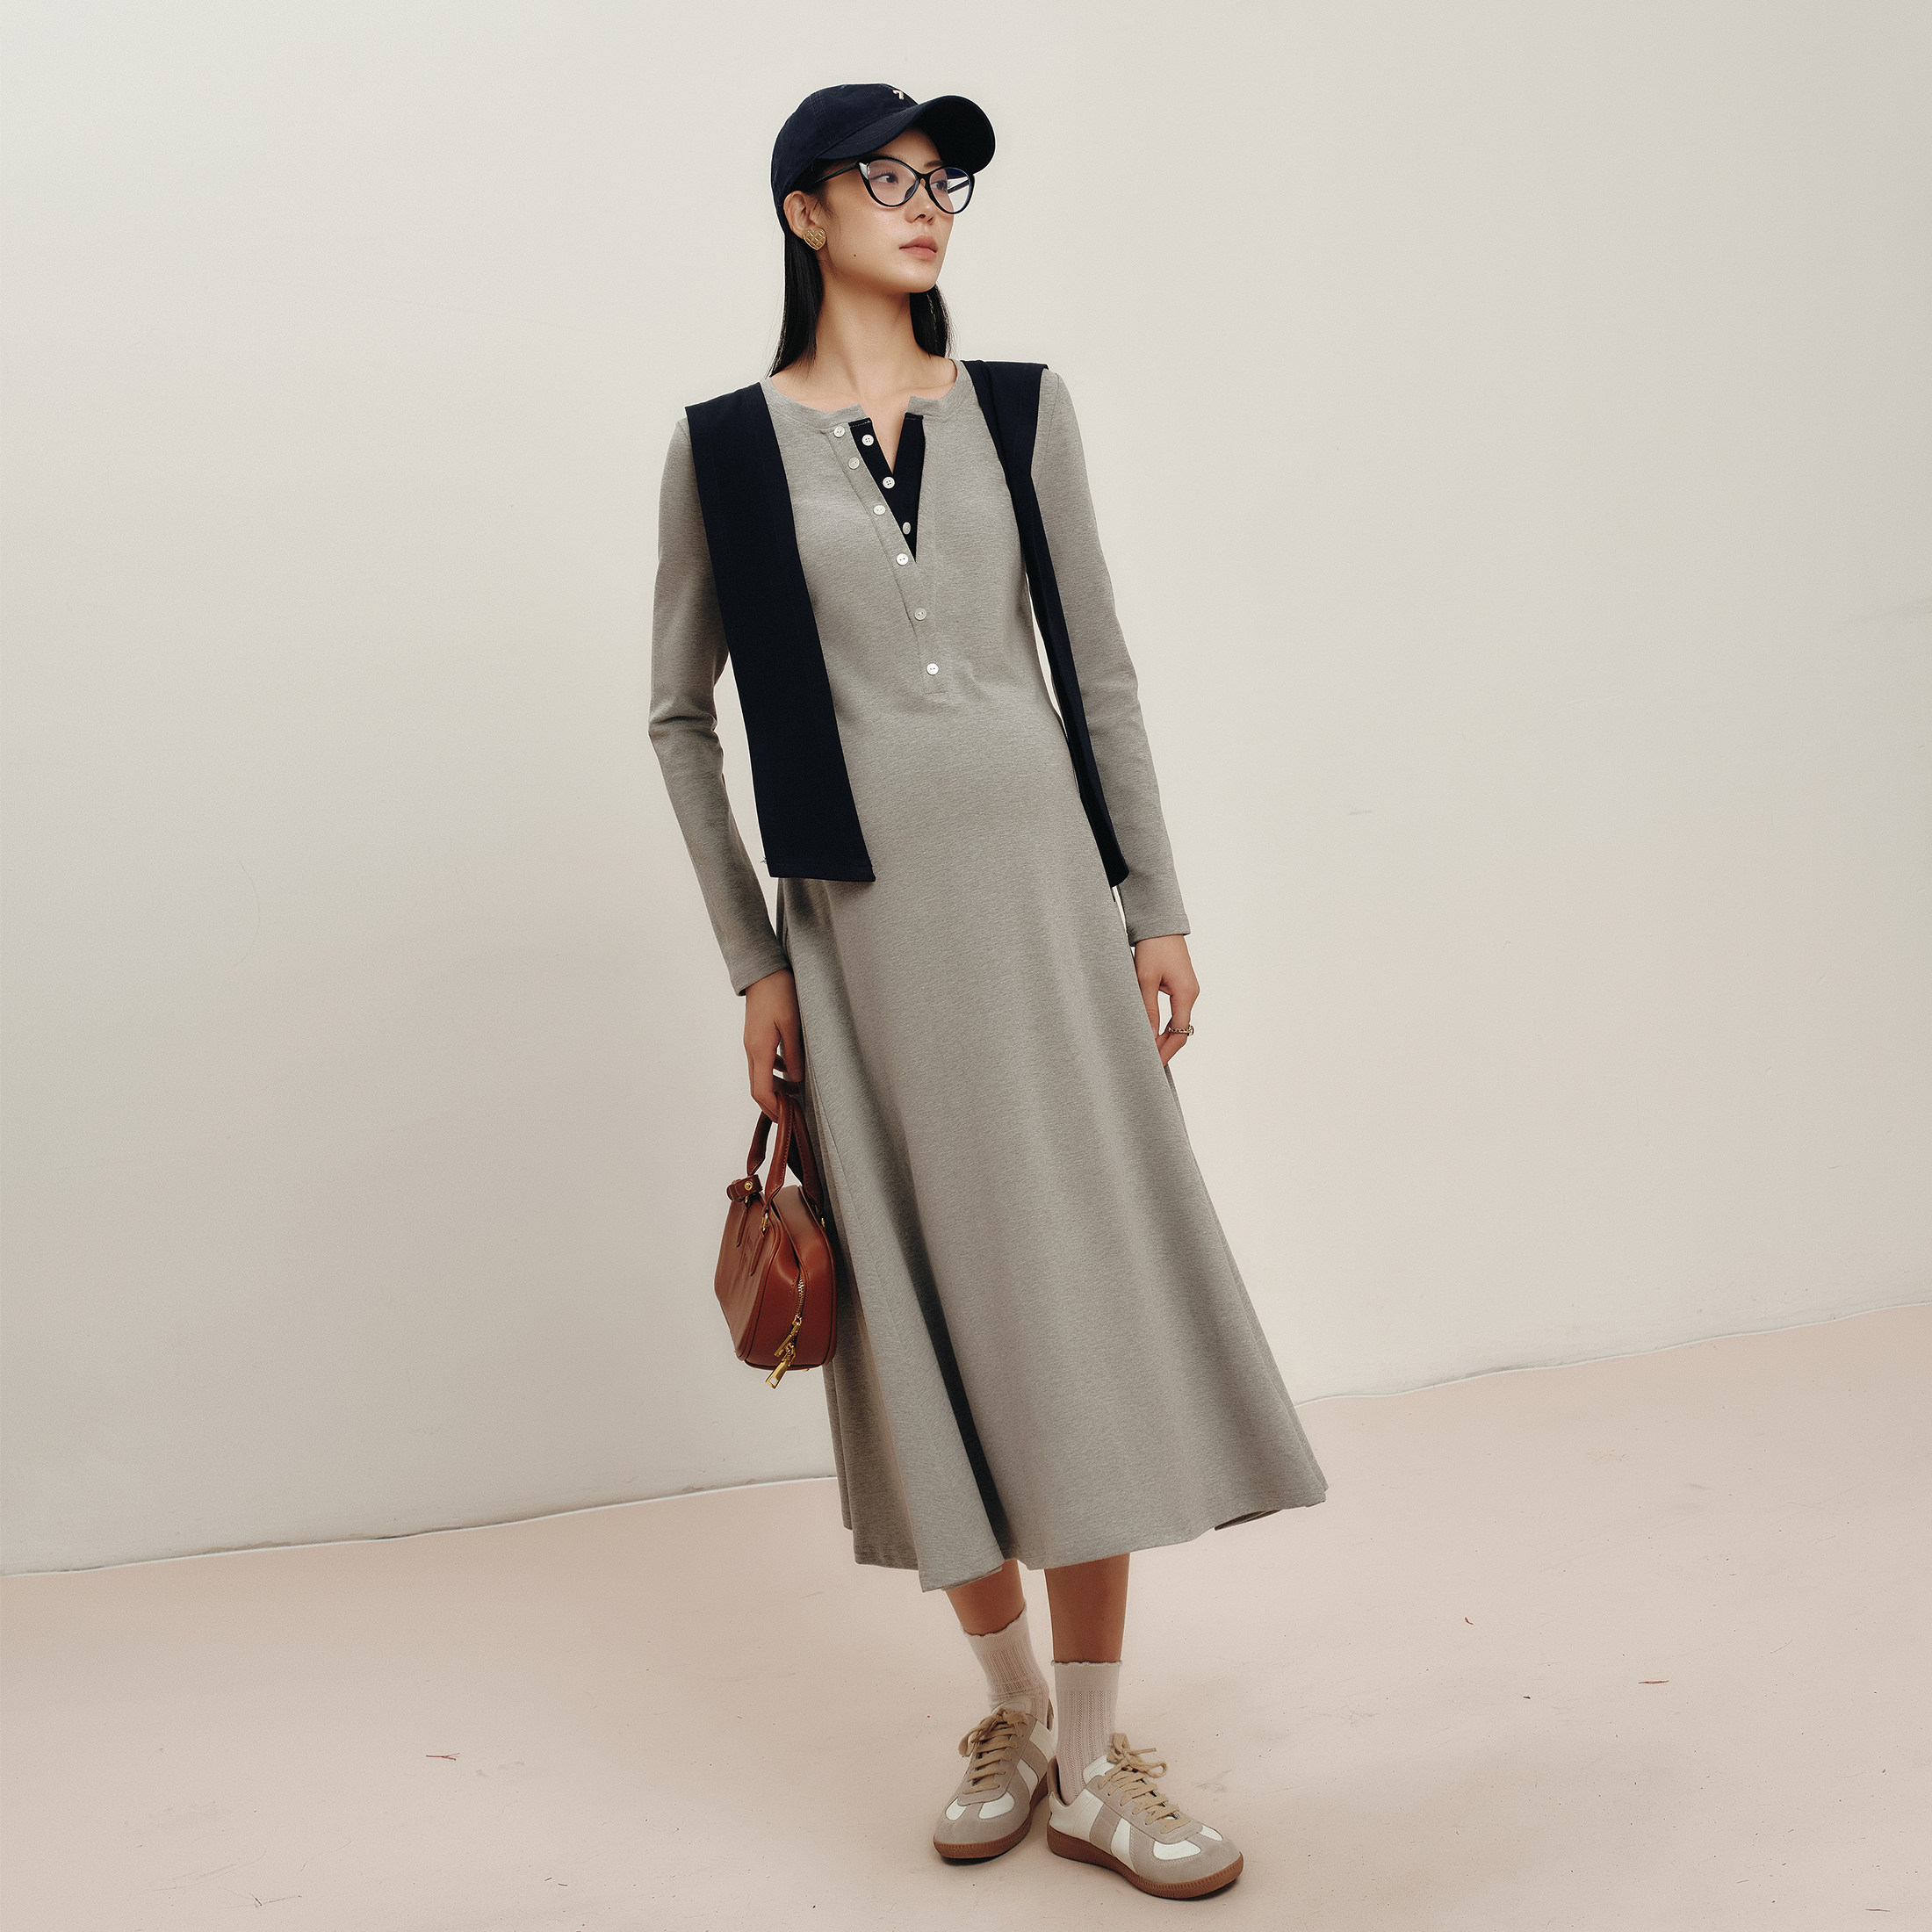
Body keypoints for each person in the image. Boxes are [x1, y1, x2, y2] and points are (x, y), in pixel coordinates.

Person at [650, 82, 1328, 1900]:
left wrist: (1151, 903)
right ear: (802, 213)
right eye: (884, 176)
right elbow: (676, 717)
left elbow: (1096, 668)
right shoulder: (722, 452)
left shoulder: (1021, 410)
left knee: (1072, 1297)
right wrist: (750, 955)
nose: (926, 199)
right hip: (860, 949)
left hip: (1041, 916)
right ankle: (1014, 1710)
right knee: (918, 1322)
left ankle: (1096, 1759)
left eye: (941, 177)